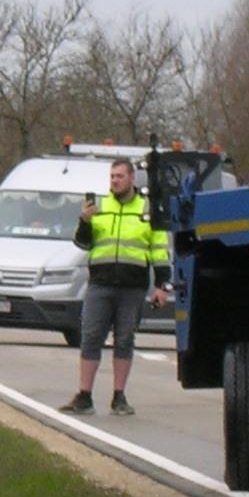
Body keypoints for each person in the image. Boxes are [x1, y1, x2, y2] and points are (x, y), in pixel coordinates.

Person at [65, 156, 162, 416]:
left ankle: (119, 396)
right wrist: (84, 222)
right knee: (91, 337)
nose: (115, 181)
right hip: (101, 283)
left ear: (132, 178)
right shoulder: (100, 207)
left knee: (125, 339)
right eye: (112, 177)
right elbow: (83, 244)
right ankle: (84, 396)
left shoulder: (146, 209)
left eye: (119, 176)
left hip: (132, 286)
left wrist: (163, 285)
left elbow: (159, 249)